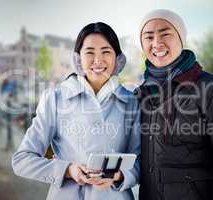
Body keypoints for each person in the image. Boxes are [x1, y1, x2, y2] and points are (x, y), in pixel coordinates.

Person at [12, 22, 140, 200]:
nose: (98, 60)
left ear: (117, 59)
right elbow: (22, 160)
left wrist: (120, 175)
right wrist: (67, 170)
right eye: (89, 52)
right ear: (78, 58)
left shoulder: (132, 102)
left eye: (106, 51)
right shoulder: (55, 99)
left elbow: (140, 162)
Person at [136, 9, 213, 200]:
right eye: (148, 37)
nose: (156, 43)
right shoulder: (141, 93)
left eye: (165, 34)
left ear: (181, 39)